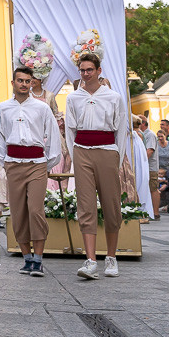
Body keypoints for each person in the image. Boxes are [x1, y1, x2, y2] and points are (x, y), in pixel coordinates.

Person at [64, 52, 129, 281]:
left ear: (99, 71)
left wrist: (117, 157)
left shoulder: (113, 97)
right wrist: (75, 155)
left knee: (111, 204)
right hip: (82, 150)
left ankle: (111, 257)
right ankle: (90, 261)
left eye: (89, 69)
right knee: (86, 205)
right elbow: (70, 129)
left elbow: (121, 129)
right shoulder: (73, 98)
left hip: (107, 151)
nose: (85, 74)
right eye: (82, 70)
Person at [0, 67, 61, 277]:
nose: (24, 84)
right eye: (20, 80)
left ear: (32, 83)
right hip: (13, 164)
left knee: (35, 210)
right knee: (18, 211)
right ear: (13, 83)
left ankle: (38, 259)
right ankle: (27, 258)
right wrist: (4, 162)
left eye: (27, 81)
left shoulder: (42, 108)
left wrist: (48, 162)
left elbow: (53, 135)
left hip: (36, 163)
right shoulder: (3, 108)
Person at [142, 120, 159, 218]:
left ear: (143, 124)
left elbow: (150, 150)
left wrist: (141, 163)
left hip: (150, 167)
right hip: (146, 166)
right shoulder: (143, 134)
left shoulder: (150, 135)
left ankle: (155, 213)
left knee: (153, 189)